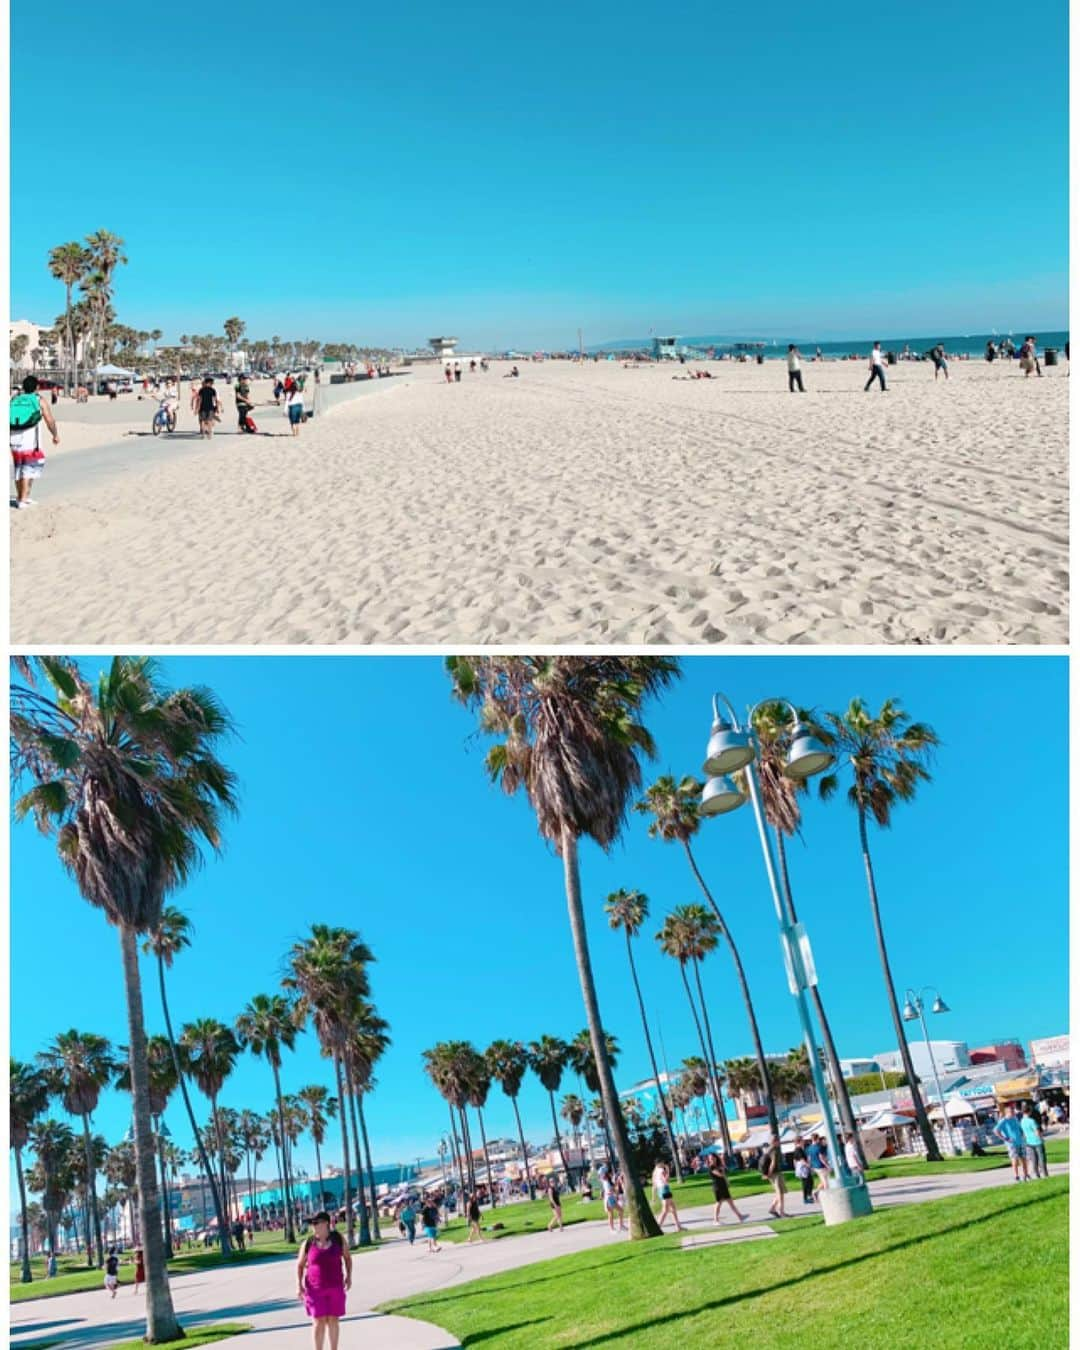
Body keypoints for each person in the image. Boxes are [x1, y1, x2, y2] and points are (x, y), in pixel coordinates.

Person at [296, 1211, 352, 1350]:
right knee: (318, 1321)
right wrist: (298, 1285)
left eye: (316, 1223)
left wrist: (349, 1276)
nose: (313, 1226)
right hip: (314, 1289)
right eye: (312, 1224)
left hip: (335, 1287)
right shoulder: (308, 1243)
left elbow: (347, 1258)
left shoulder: (338, 1239)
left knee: (333, 1319)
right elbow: (300, 1265)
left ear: (326, 1223)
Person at [10, 374, 59, 508]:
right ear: (37, 387)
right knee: (29, 468)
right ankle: (23, 499)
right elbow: (49, 420)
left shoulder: (15, 399)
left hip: (13, 438)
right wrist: (55, 434)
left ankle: (22, 497)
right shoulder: (39, 400)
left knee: (18, 468)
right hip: (30, 439)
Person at [706, 1151, 747, 1223]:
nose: (712, 1159)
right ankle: (715, 1220)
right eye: (710, 1158)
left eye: (713, 1158)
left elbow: (724, 1172)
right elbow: (720, 1174)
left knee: (730, 1202)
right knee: (718, 1203)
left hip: (723, 1186)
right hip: (718, 1187)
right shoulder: (711, 1167)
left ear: (716, 1158)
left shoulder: (718, 1165)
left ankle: (740, 1216)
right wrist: (722, 1171)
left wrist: (726, 1180)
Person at [993, 1104, 1029, 1181]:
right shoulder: (1003, 1121)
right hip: (1012, 1144)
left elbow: (1020, 1128)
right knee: (1015, 1159)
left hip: (1020, 1141)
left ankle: (1026, 1174)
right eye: (1011, 1111)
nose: (1013, 1112)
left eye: (1013, 1111)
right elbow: (996, 1131)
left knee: (1024, 1158)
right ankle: (1016, 1175)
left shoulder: (1015, 1119)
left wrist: (1023, 1135)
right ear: (1007, 1112)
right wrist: (1005, 1138)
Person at [651, 1163, 684, 1232]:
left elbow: (654, 1186)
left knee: (673, 1208)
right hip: (665, 1189)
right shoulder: (661, 1171)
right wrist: (668, 1170)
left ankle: (678, 1226)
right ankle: (658, 1227)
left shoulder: (655, 1172)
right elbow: (666, 1180)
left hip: (661, 1190)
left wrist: (653, 1196)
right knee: (665, 1210)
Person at [761, 1135, 786, 1218]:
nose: (779, 1142)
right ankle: (781, 1212)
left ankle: (772, 1209)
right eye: (778, 1141)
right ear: (775, 1141)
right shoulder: (774, 1150)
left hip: (773, 1174)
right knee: (779, 1193)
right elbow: (773, 1163)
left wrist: (767, 1174)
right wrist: (769, 1174)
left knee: (780, 1192)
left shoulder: (768, 1150)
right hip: (775, 1174)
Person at [1021, 1105, 1049, 1179]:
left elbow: (1024, 1133)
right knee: (1042, 1158)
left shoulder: (1022, 1121)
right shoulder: (1032, 1121)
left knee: (1034, 1159)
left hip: (1029, 1142)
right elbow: (1037, 1132)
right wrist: (1042, 1138)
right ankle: (1045, 1174)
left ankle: (1037, 1174)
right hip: (1037, 1141)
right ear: (1029, 1111)